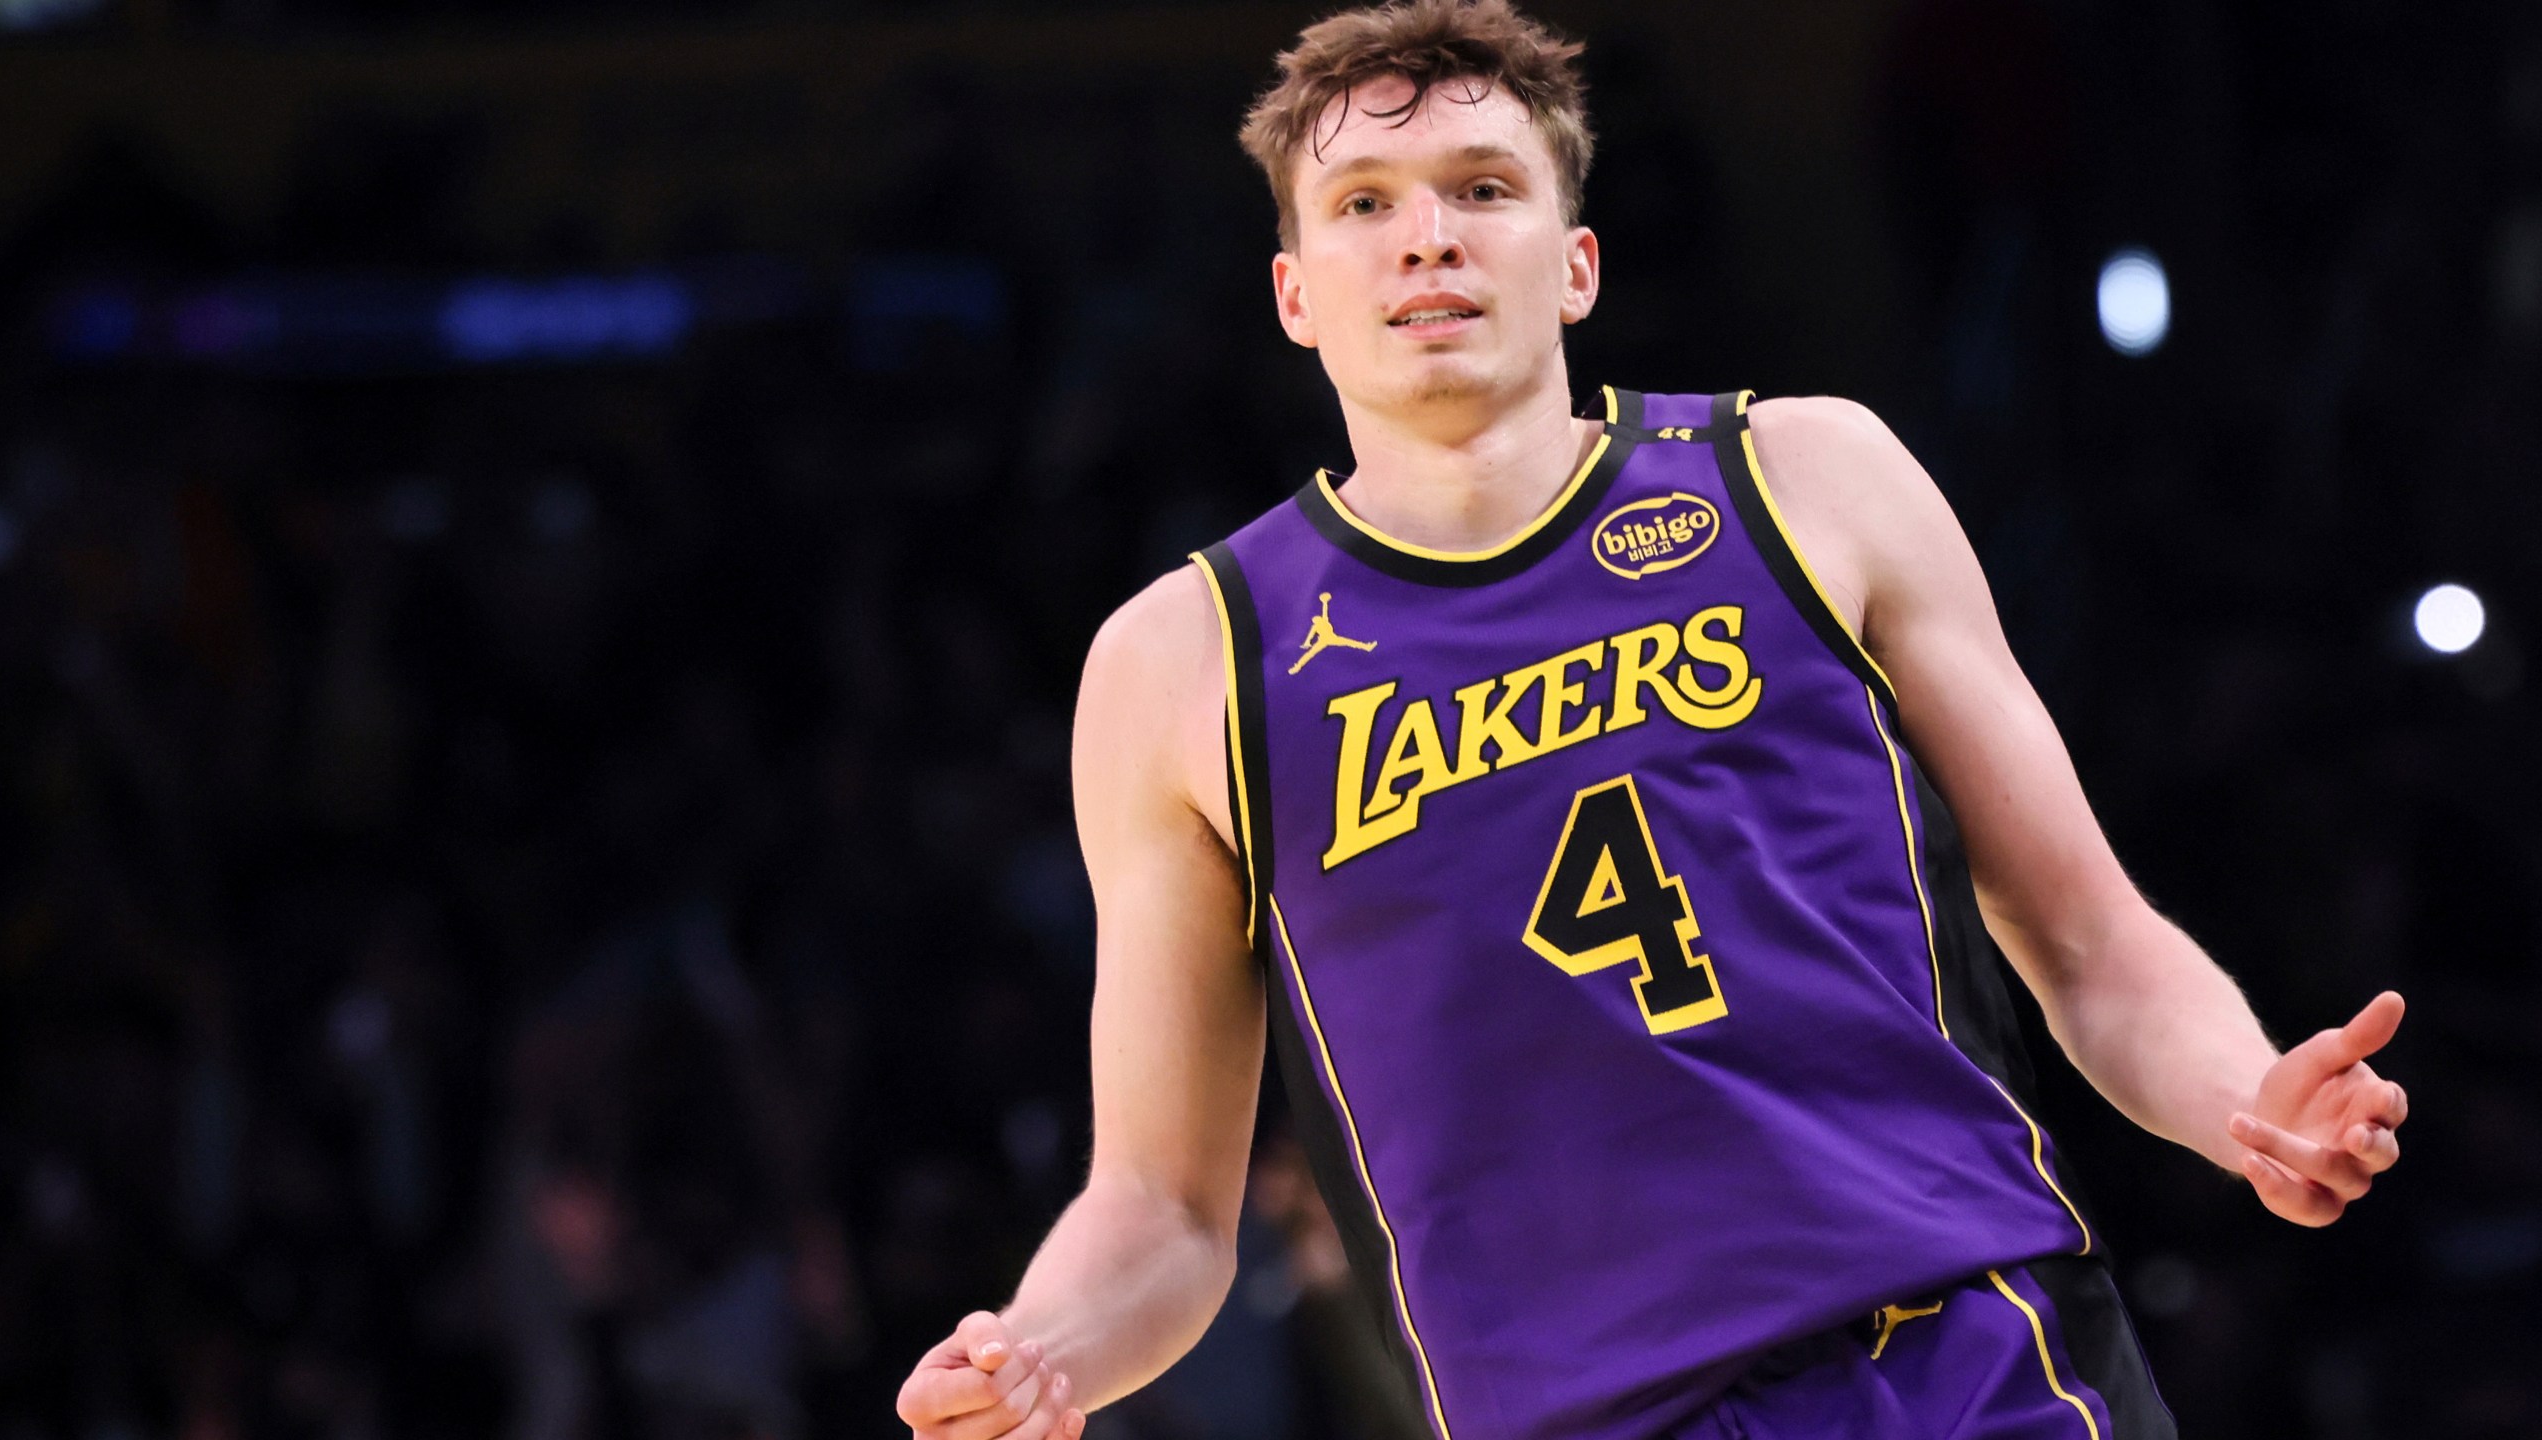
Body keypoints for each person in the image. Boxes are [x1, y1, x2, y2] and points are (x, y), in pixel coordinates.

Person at [895, 2, 2411, 1436]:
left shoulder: (1809, 478)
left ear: (1577, 263)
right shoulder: (1186, 662)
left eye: (1483, 185)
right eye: (1363, 201)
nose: (1426, 233)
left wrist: (2244, 1100)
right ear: (1294, 291)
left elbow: (2089, 944)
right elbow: (1162, 1207)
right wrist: (1043, 1354)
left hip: (1965, 1353)